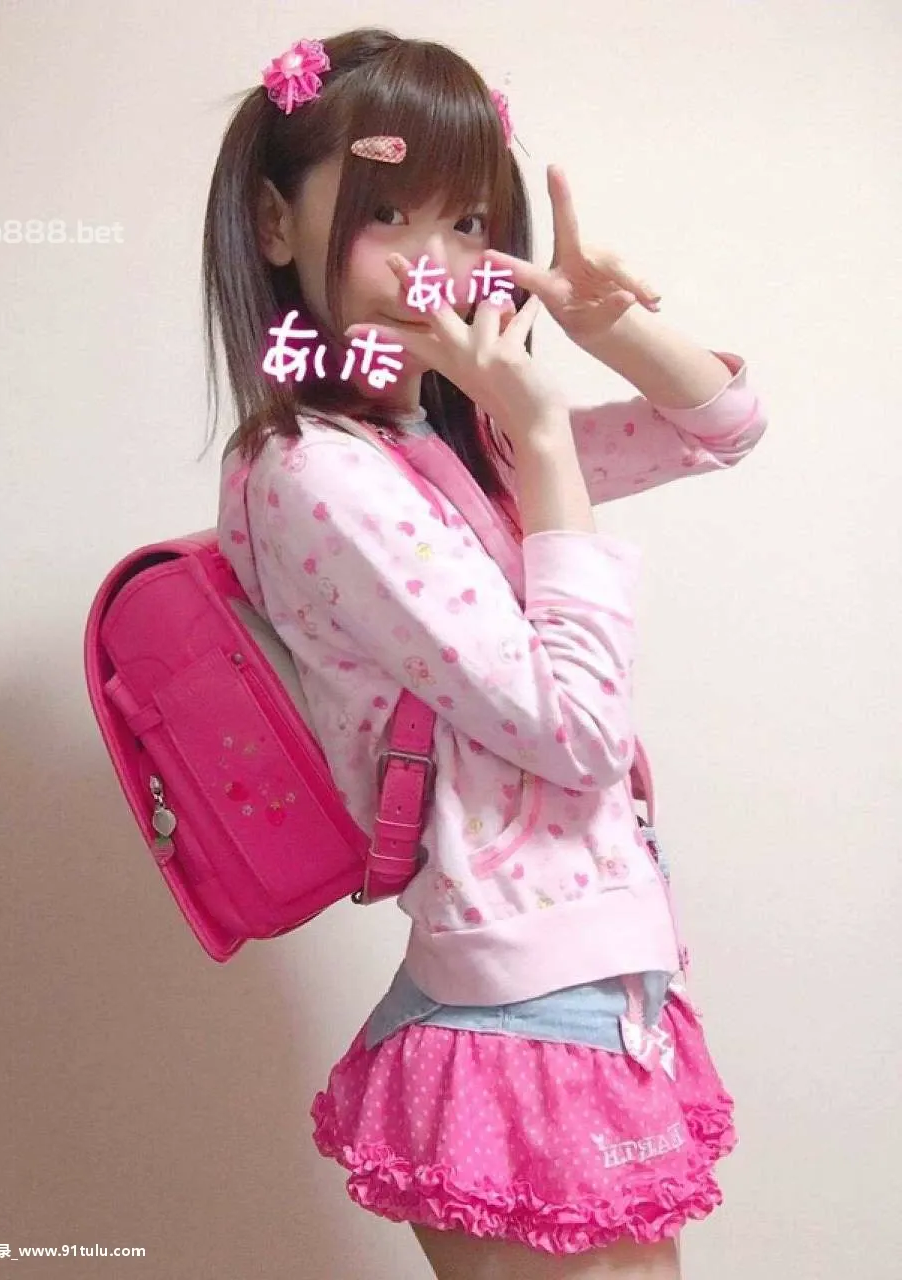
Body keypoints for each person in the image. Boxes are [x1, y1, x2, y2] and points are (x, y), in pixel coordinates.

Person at [208, 26, 768, 1279]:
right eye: (388, 212)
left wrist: (605, 326)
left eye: (466, 222)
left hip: (578, 983)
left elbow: (724, 423)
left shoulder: (448, 441)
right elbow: (576, 729)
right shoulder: (318, 472)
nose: (436, 261)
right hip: (527, 1010)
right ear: (276, 223)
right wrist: (545, 437)